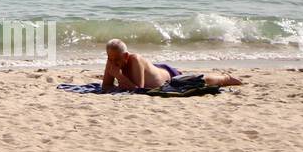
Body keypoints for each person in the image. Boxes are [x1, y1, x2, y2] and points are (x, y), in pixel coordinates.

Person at [101, 39, 243, 92]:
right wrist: (115, 81)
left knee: (200, 81)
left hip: (169, 76)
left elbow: (139, 90)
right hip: (154, 70)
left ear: (125, 56)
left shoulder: (135, 59)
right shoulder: (112, 60)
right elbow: (105, 87)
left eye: (117, 59)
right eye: (110, 59)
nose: (113, 63)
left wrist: (119, 77)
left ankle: (225, 78)